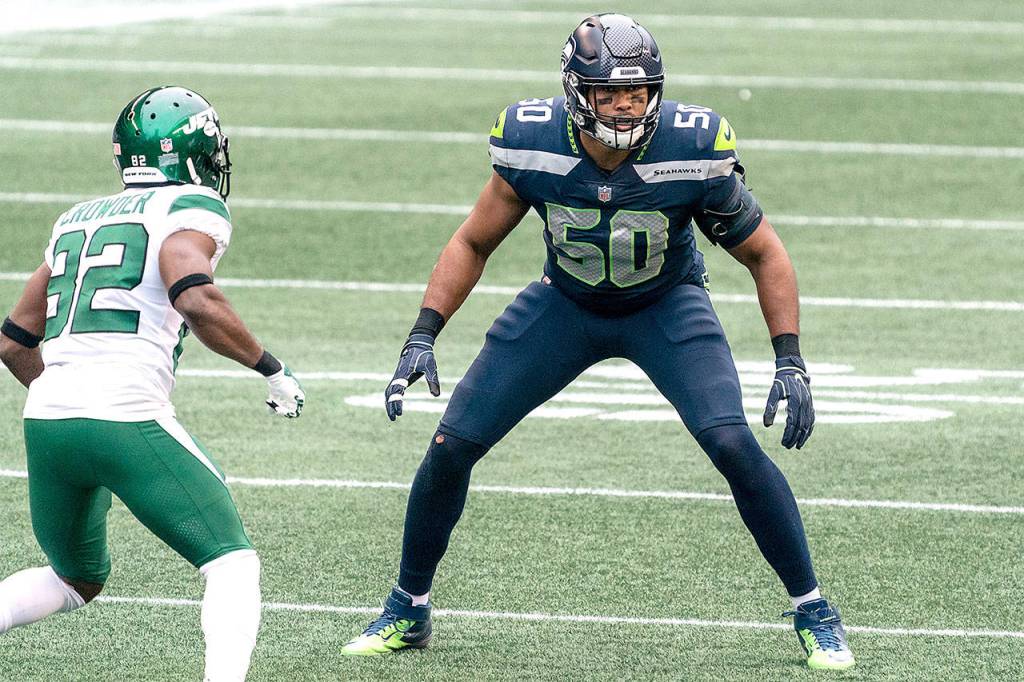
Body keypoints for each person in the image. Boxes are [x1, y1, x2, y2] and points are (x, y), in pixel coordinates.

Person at [342, 14, 853, 671]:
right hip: (565, 304)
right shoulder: (532, 141)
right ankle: (408, 607)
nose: (625, 106)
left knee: (731, 442)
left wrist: (790, 359)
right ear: (576, 92)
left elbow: (765, 253)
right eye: (609, 93)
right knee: (452, 444)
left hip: (665, 305)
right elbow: (473, 241)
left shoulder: (690, 147)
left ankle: (814, 610)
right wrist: (423, 332)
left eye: (637, 92)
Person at [0, 86, 305, 682]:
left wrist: (67, 397)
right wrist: (270, 367)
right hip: (126, 411)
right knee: (231, 562)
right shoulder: (190, 206)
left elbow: (13, 341)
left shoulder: (76, 218)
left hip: (48, 416)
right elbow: (195, 297)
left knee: (75, 578)